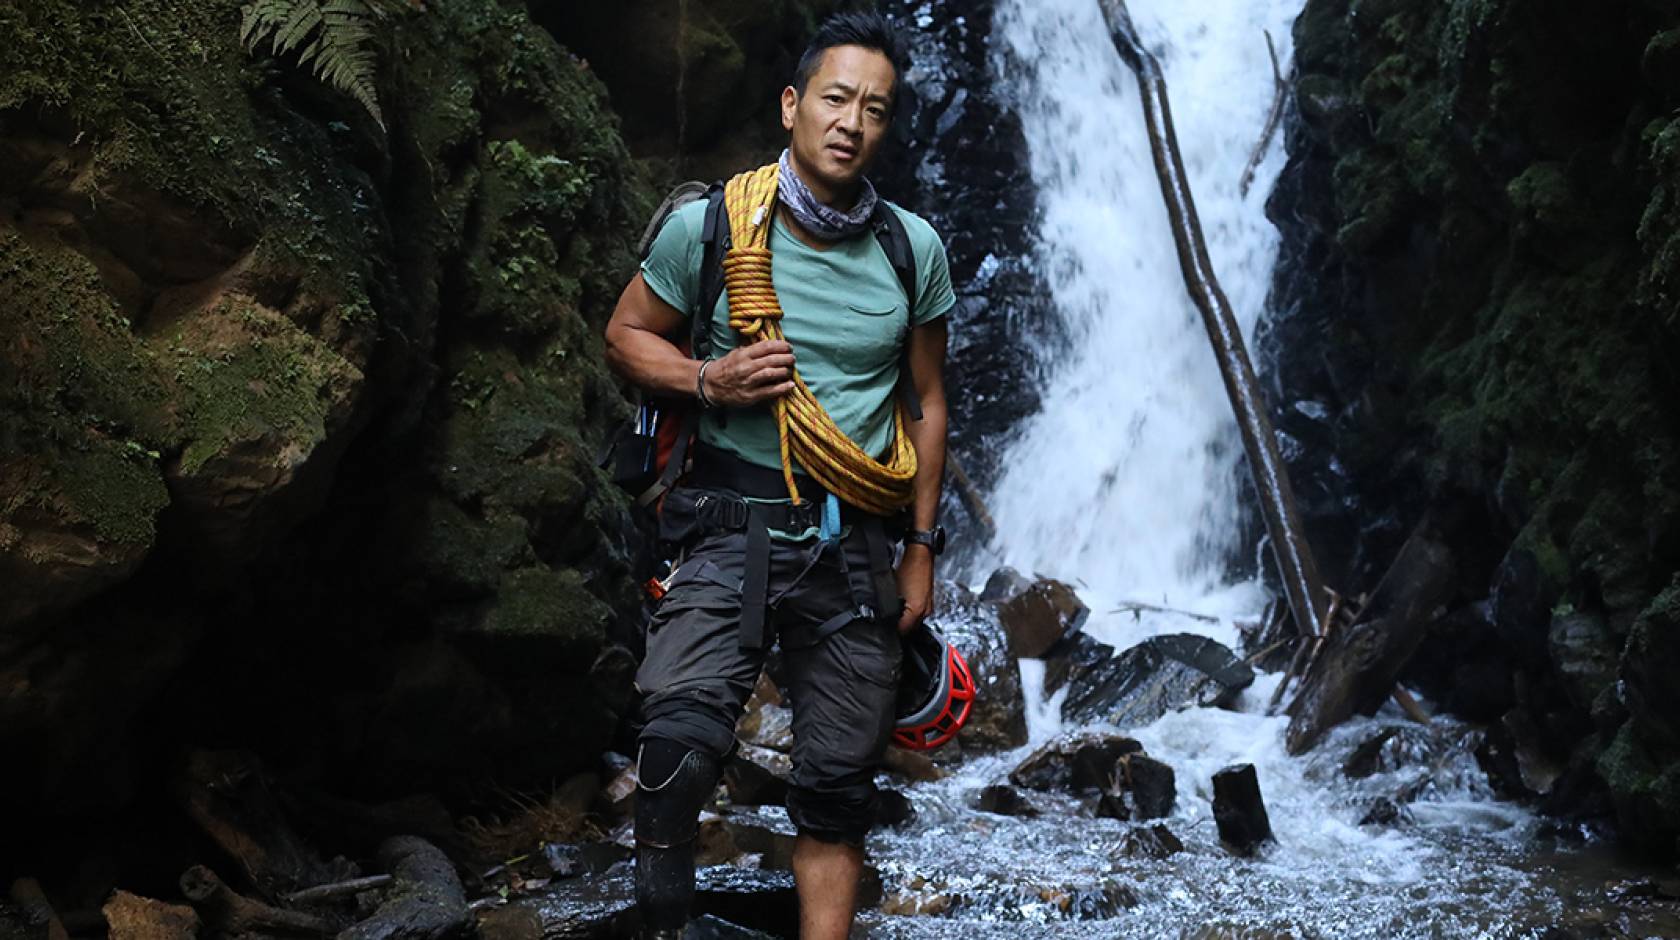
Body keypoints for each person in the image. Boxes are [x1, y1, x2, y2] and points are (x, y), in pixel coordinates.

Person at [602, 11, 954, 939]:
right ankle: (667, 922)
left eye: (875, 109)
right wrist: (708, 377)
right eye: (836, 98)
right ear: (794, 104)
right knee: (675, 753)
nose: (852, 122)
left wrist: (921, 548)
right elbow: (626, 335)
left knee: (837, 791)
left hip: (858, 546)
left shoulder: (911, 250)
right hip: (726, 526)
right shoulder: (710, 226)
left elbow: (926, 405)